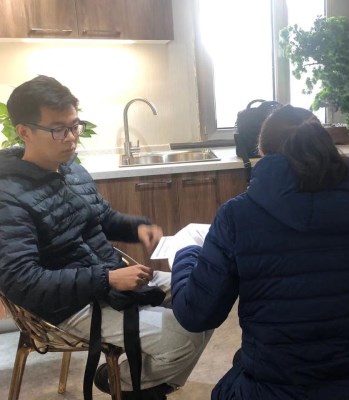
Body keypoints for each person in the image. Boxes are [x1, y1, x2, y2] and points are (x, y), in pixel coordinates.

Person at [0, 75, 212, 400]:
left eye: (75, 126)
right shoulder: (8, 197)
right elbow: (22, 281)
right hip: (67, 306)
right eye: (59, 129)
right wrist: (107, 278)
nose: (72, 138)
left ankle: (140, 384)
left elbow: (102, 218)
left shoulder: (71, 170)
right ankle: (127, 384)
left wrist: (136, 228)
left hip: (109, 280)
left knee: (207, 294)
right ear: (25, 131)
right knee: (185, 337)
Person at [171, 105, 349, 399]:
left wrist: (185, 254)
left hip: (271, 388)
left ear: (264, 153)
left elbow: (195, 314)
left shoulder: (238, 215)